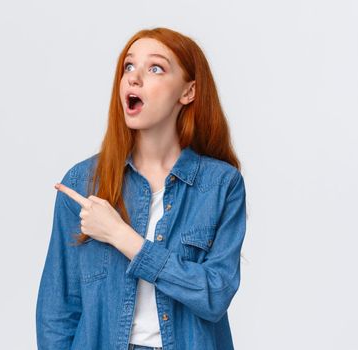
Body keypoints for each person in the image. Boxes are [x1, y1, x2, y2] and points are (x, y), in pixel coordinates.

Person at [36, 27, 247, 350]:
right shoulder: (84, 182)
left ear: (188, 92)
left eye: (155, 68)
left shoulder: (221, 185)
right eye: (129, 67)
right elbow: (58, 310)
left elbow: (214, 295)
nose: (134, 78)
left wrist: (123, 238)